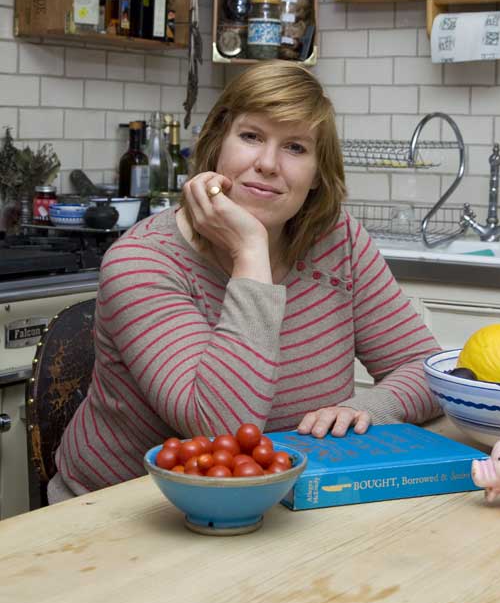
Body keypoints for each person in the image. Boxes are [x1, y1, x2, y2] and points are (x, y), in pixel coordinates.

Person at [49, 61, 442, 501]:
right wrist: (251, 253)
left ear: (316, 176)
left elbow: (430, 373)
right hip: (124, 512)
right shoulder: (142, 262)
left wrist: (366, 408)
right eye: (251, 136)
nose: (268, 164)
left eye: (295, 147)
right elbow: (223, 429)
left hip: (285, 504)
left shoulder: (337, 240)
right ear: (217, 144)